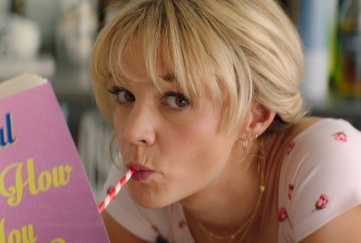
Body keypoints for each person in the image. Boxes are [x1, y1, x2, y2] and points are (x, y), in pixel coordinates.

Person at [89, 0, 361, 242]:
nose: (133, 132)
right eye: (124, 94)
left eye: (177, 100)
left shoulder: (322, 164)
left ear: (256, 115)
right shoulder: (144, 172)